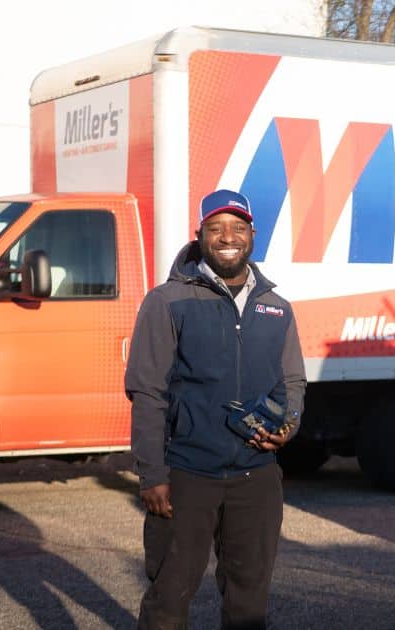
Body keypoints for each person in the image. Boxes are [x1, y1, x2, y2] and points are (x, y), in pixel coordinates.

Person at [125, 189, 307, 630]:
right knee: (169, 598)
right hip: (188, 473)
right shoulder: (167, 301)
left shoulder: (276, 308)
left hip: (257, 477)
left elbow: (293, 382)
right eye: (216, 227)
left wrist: (288, 426)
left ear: (252, 236)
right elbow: (147, 392)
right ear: (200, 235)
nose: (228, 236)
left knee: (249, 603)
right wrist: (153, 475)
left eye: (238, 227)